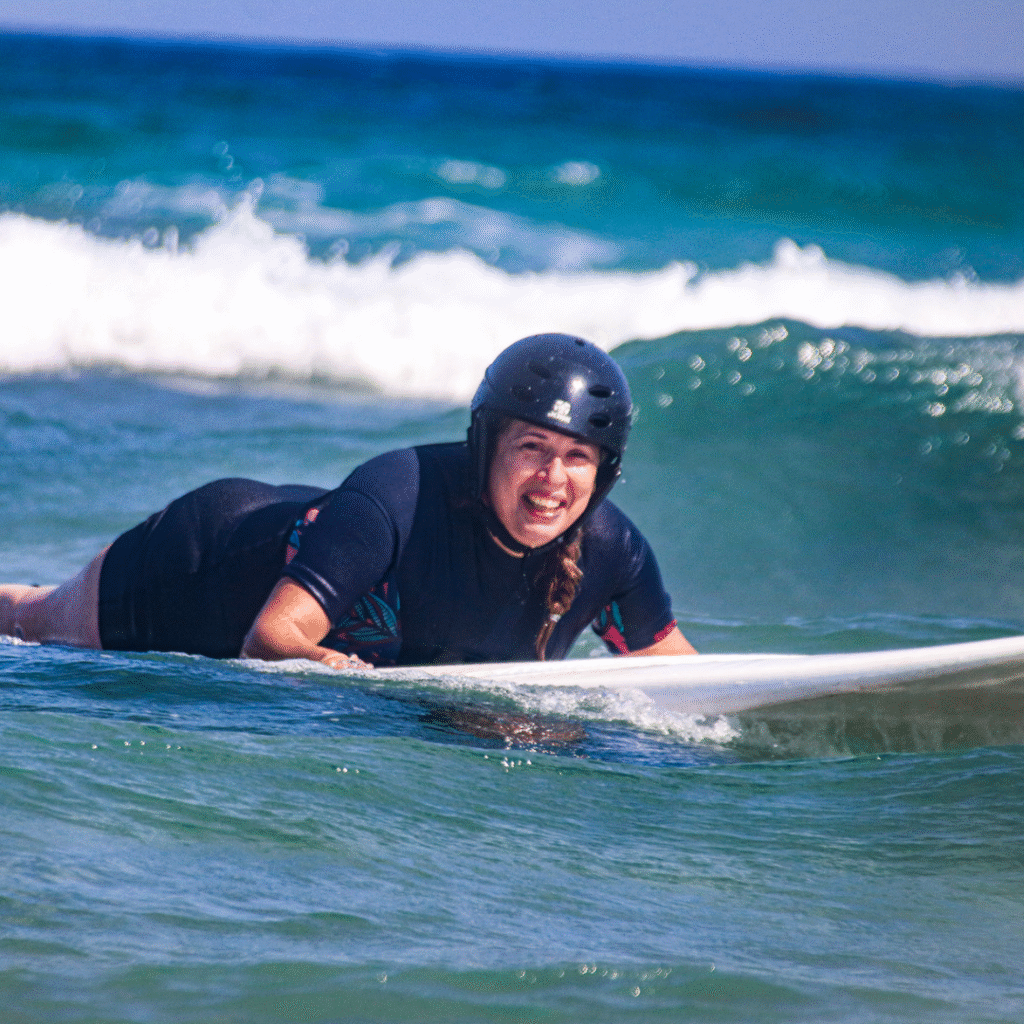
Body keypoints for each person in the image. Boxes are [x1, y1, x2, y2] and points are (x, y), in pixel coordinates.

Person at [0, 334, 695, 668]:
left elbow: (673, 668)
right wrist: (338, 671)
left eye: (578, 458)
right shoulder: (398, 496)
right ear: (488, 445)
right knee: (29, 623)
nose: (553, 479)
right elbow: (271, 639)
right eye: (532, 449)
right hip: (198, 567)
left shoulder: (611, 550)